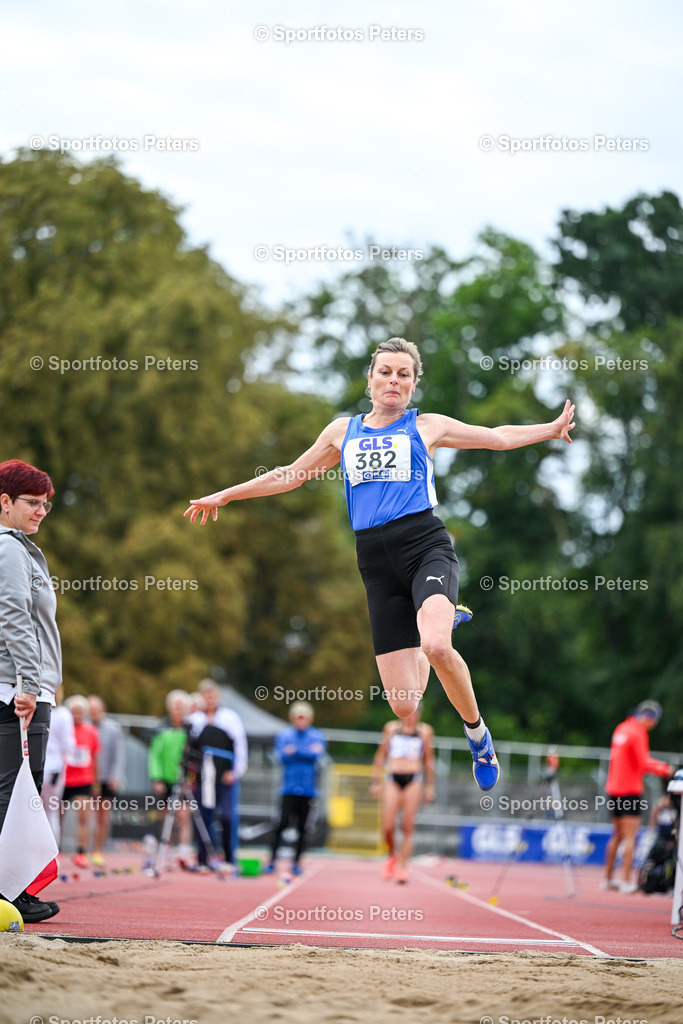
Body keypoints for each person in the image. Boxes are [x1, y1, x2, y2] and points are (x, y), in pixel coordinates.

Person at [185, 337, 576, 792]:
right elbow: (290, 474)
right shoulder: (341, 432)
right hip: (375, 563)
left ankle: (478, 737)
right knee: (404, 705)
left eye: (404, 374)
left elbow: (496, 438)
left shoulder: (425, 426)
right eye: (385, 372)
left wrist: (547, 429)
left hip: (424, 545)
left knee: (435, 646)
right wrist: (227, 494)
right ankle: (436, 613)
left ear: (413, 385)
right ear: (369, 380)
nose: (394, 380)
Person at [0, 458, 62, 923]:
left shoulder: (20, 548)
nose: (41, 511)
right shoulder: (8, 548)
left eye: (45, 504)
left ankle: (13, 889)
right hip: (18, 691)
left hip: (24, 687)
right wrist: (29, 684)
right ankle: (11, 892)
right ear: (4, 502)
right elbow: (14, 616)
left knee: (18, 791)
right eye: (32, 503)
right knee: (17, 794)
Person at [602, 700, 673, 894]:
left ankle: (608, 878)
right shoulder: (638, 732)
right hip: (629, 789)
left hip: (614, 789)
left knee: (616, 835)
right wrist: (666, 769)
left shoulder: (622, 728)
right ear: (650, 718)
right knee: (630, 837)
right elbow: (643, 763)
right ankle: (626, 880)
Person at [185, 679, 248, 871]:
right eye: (205, 695)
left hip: (225, 776)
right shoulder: (194, 720)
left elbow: (240, 746)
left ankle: (229, 858)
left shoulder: (230, 718)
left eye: (212, 694)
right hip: (203, 778)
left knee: (228, 816)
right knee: (203, 817)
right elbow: (188, 749)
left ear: (218, 696)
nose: (209, 698)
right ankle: (203, 860)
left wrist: (236, 771)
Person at [370, 702, 435, 883]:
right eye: (407, 714)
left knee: (407, 825)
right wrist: (375, 780)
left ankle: (403, 868)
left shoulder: (425, 732)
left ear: (419, 715)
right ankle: (392, 855)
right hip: (393, 777)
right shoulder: (391, 729)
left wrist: (430, 786)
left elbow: (429, 760)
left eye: (414, 714)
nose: (410, 718)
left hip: (413, 778)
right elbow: (380, 755)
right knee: (388, 826)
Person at [263, 701, 326, 876]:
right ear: (292, 718)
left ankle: (297, 863)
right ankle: (272, 861)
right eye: (298, 717)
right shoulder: (284, 735)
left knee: (302, 829)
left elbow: (316, 755)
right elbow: (282, 756)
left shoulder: (317, 735)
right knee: (280, 825)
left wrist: (296, 752)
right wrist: (304, 752)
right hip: (288, 789)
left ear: (309, 719)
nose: (300, 721)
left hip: (308, 790)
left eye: (303, 717)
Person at [148, 689, 193, 866]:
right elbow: (155, 756)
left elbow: (193, 757)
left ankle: (183, 850)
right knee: (167, 816)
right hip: (165, 779)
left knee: (183, 815)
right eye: (175, 706)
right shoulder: (161, 729)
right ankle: (166, 850)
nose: (178, 710)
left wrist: (189, 777)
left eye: (181, 707)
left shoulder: (190, 731)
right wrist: (157, 778)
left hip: (182, 779)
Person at [87, 695, 125, 868]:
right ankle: (84, 850)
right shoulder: (85, 727)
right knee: (87, 816)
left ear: (103, 710)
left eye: (96, 709)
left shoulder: (113, 728)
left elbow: (119, 755)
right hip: (88, 777)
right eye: (91, 710)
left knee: (103, 817)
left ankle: (98, 851)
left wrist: (115, 776)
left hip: (106, 778)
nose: (94, 713)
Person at [62, 695, 99, 869]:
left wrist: (96, 782)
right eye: (73, 712)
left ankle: (81, 852)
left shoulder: (91, 731)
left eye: (80, 712)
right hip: (63, 779)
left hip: (84, 779)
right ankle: (55, 852)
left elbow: (94, 757)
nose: (76, 715)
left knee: (83, 818)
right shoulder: (63, 729)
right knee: (56, 816)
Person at [41, 686, 75, 845]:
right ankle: (53, 856)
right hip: (54, 768)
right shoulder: (63, 714)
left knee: (33, 811)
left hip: (35, 766)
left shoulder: (38, 709)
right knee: (52, 813)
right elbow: (69, 745)